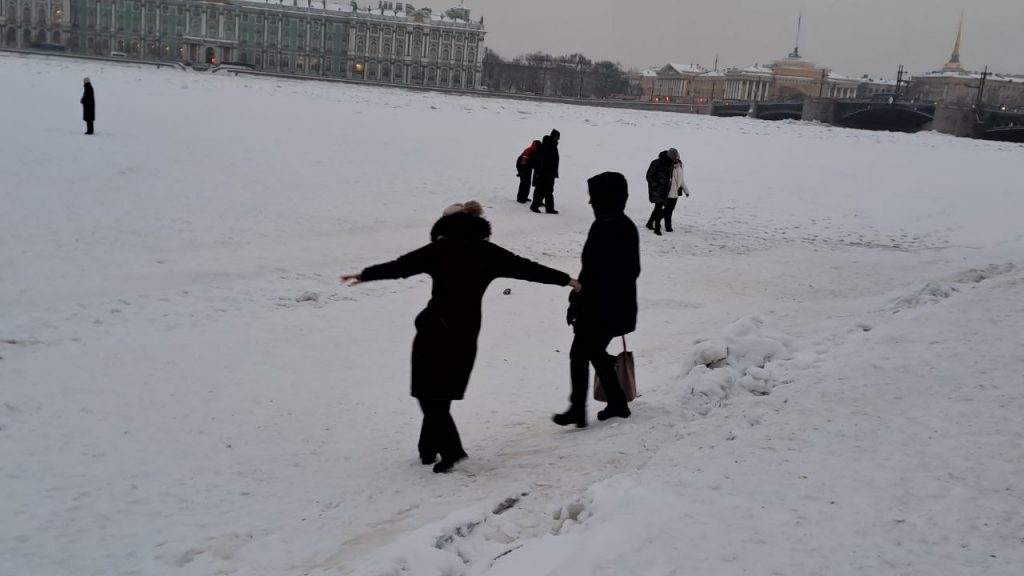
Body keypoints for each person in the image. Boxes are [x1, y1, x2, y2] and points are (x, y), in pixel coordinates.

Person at [341, 202, 582, 473]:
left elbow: (400, 267)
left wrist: (365, 275)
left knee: (428, 392)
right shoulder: (487, 252)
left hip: (435, 328)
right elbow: (527, 269)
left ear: (443, 227)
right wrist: (565, 279)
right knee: (439, 392)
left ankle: (452, 450)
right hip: (465, 331)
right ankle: (428, 449)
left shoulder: (439, 250)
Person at [554, 172, 640, 428]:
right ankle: (613, 403)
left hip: (601, 309)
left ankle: (584, 409)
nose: (590, 202)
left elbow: (593, 273)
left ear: (606, 197)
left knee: (581, 353)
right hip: (613, 307)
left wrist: (578, 301)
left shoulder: (608, 226)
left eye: (593, 196)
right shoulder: (622, 224)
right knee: (589, 352)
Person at [645, 148, 677, 235]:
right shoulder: (656, 162)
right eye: (674, 157)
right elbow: (649, 176)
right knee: (658, 208)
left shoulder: (670, 164)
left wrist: (669, 185)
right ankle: (657, 229)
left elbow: (669, 177)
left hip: (665, 190)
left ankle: (649, 224)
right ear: (670, 156)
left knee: (657, 208)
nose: (675, 159)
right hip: (657, 189)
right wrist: (655, 185)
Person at [530, 129, 561, 214]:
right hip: (545, 173)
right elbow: (545, 161)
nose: (558, 139)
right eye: (558, 137)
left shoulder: (552, 145)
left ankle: (549, 208)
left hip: (550, 173)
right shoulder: (548, 145)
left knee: (548, 191)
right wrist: (542, 173)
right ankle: (534, 206)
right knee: (541, 190)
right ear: (554, 137)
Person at [663, 153, 691, 232]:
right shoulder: (668, 166)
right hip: (668, 193)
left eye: (677, 158)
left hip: (676, 193)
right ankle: (668, 227)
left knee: (669, 210)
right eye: (674, 158)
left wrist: (686, 191)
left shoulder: (680, 166)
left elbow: (681, 180)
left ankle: (654, 219)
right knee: (668, 210)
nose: (676, 160)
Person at [516, 140, 542, 204]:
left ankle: (524, 197)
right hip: (523, 167)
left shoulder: (536, 151)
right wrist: (521, 172)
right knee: (524, 183)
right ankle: (520, 198)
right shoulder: (529, 150)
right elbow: (523, 161)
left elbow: (534, 162)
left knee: (527, 183)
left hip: (528, 167)